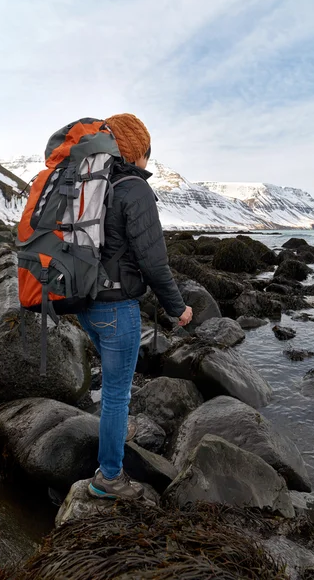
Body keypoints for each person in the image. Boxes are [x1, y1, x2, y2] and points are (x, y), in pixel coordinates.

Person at [77, 113, 193, 500]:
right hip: (116, 309)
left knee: (111, 390)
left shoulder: (93, 185)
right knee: (115, 396)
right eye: (147, 152)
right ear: (135, 149)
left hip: (85, 304)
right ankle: (108, 476)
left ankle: (107, 458)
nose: (148, 161)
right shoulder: (134, 189)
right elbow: (154, 261)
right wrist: (178, 309)